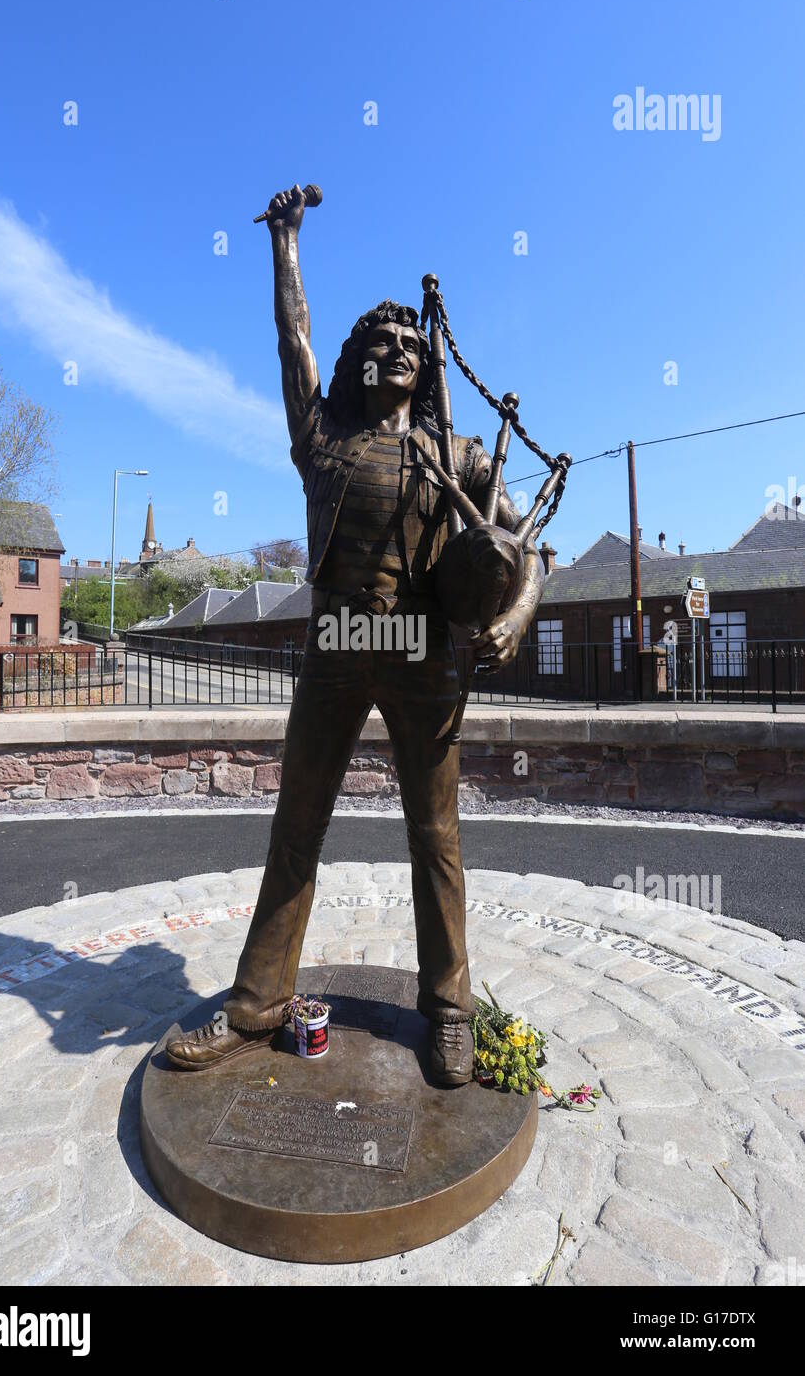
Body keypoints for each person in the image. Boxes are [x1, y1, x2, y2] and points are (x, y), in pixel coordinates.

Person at [167, 184, 542, 1085]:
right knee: (295, 829)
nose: (402, 350)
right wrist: (285, 245)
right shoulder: (324, 436)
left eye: (414, 342)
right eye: (384, 342)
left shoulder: (460, 455)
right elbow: (293, 343)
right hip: (333, 651)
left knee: (436, 835)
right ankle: (254, 1005)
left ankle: (449, 1007)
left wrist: (519, 614)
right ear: (357, 361)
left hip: (426, 658)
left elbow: (531, 548)